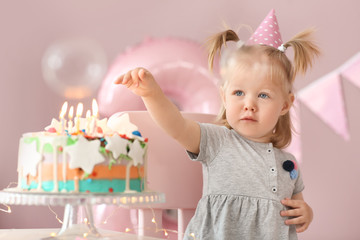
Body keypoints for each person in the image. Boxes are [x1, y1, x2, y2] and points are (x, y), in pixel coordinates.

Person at [115, 9, 319, 240]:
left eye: (263, 95)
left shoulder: (288, 163)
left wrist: (306, 213)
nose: (249, 104)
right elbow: (176, 125)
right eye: (239, 92)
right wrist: (152, 94)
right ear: (224, 97)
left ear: (285, 105)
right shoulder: (218, 141)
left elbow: (296, 208)